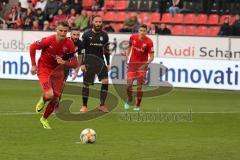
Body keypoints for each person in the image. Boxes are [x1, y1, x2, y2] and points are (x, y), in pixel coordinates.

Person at [30, 21, 78, 129]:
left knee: (56, 100)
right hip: (44, 69)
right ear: (56, 30)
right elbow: (32, 47)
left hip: (58, 72)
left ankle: (44, 119)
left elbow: (75, 64)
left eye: (65, 31)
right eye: (60, 30)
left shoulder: (69, 44)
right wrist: (33, 65)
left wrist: (64, 62)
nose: (63, 33)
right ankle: (43, 99)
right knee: (49, 95)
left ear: (67, 32)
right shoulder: (48, 40)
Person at [78, 15, 110, 113]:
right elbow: (82, 50)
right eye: (96, 22)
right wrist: (82, 64)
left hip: (101, 62)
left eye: (100, 22)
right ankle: (84, 106)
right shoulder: (86, 34)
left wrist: (108, 63)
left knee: (105, 81)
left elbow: (106, 50)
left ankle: (102, 105)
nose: (98, 24)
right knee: (86, 84)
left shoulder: (105, 35)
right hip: (89, 62)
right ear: (93, 22)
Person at [124, 24, 154, 111]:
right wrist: (127, 54)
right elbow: (129, 46)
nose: (142, 32)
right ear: (138, 31)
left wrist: (145, 65)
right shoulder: (133, 37)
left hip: (142, 66)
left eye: (144, 31)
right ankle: (129, 100)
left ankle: (137, 105)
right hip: (132, 64)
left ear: (146, 31)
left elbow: (152, 57)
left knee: (139, 87)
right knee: (128, 85)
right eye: (140, 30)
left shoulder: (149, 42)